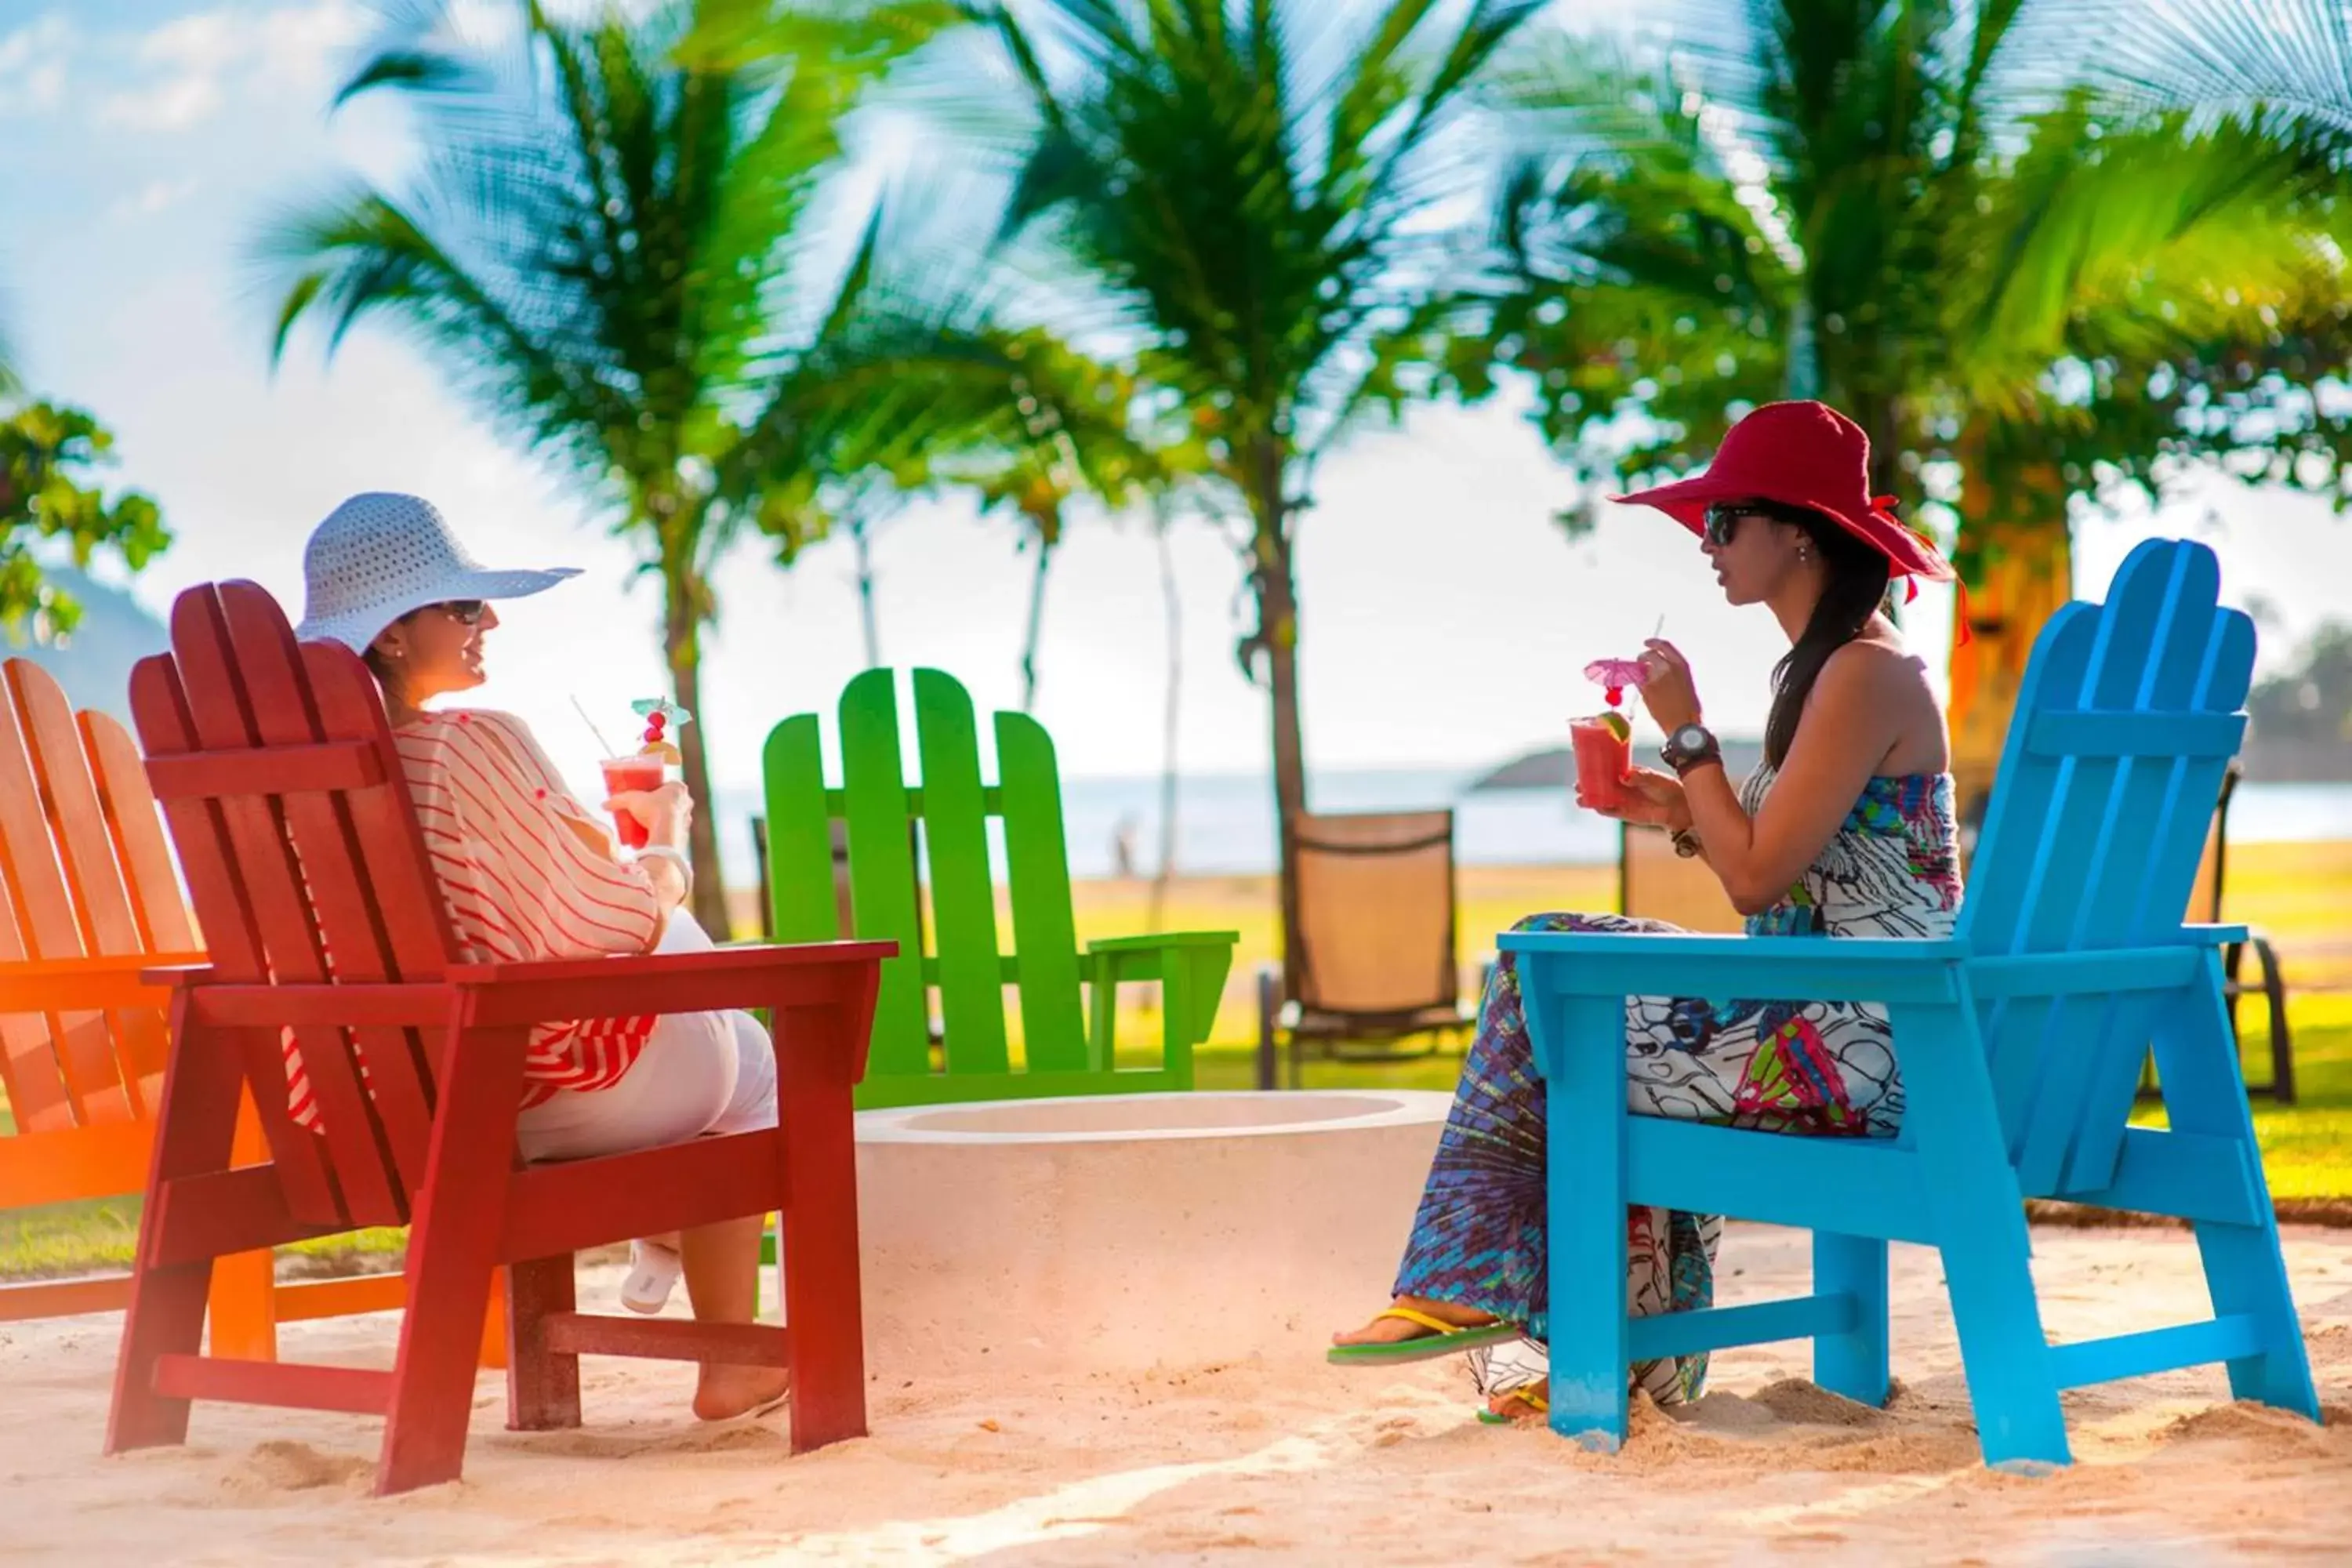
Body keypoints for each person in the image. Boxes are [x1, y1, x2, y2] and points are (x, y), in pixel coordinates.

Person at [1328, 401, 1965, 1421]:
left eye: (1723, 521)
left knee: (1565, 1009)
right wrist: (1672, 806)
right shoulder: (1839, 671)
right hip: (1844, 1017)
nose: (1707, 546)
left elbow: (1757, 882)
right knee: (1548, 954)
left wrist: (1689, 738)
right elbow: (1792, 867)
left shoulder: (1865, 673)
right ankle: (1613, 1348)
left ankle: (1481, 1293)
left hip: (1870, 1045)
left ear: (1797, 530)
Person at [292, 492, 785, 1423]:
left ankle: (673, 1242)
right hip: (522, 1095)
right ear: (393, 636)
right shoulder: (470, 745)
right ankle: (729, 1354)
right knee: (752, 1055)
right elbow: (615, 922)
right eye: (464, 606)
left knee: (717, 1031)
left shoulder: (295, 784)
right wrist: (664, 845)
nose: (490, 621)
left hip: (381, 1105)